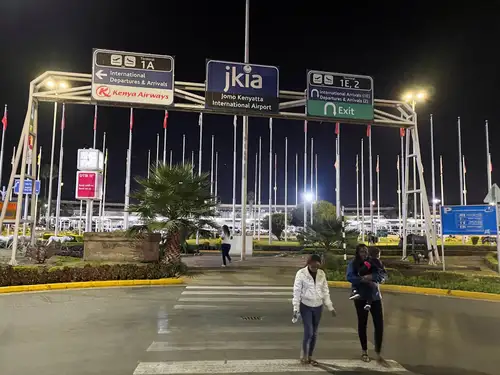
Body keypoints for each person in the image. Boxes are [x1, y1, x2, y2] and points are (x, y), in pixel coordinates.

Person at [347, 244, 388, 365]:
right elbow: (349, 277)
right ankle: (364, 351)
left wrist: (372, 276)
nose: (364, 254)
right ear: (357, 253)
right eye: (361, 252)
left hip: (375, 297)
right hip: (360, 297)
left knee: (379, 324)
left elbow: (383, 275)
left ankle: (378, 352)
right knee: (362, 323)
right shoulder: (353, 264)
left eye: (365, 251)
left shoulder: (374, 262)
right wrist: (362, 279)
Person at [292, 254, 337, 365]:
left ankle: (311, 356)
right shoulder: (301, 273)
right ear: (309, 263)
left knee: (315, 333)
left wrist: (330, 306)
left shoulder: (321, 274)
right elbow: (296, 291)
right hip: (305, 305)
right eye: (313, 266)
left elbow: (325, 291)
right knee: (309, 331)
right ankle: (304, 354)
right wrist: (295, 308)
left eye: (317, 266)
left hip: (318, 306)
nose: (315, 268)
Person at [349, 247, 386, 311]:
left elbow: (383, 274)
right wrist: (363, 278)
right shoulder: (376, 262)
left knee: (377, 319)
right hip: (366, 295)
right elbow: (350, 276)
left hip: (374, 296)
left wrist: (371, 277)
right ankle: (367, 303)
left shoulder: (369, 262)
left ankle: (355, 291)